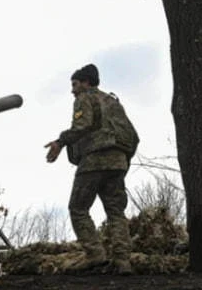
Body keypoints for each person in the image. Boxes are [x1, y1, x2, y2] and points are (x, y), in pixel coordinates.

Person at [44, 63, 138, 274]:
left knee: (78, 208)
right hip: (117, 162)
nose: (72, 90)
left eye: (75, 84)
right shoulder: (113, 102)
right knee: (116, 212)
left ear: (86, 82)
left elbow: (82, 126)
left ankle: (95, 254)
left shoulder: (84, 98)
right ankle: (123, 261)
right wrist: (123, 161)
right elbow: (133, 136)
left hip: (94, 161)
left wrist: (60, 142)